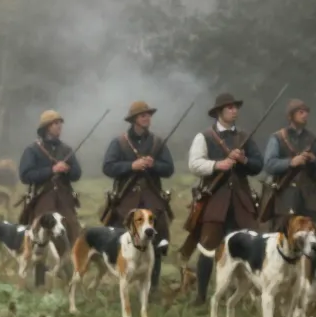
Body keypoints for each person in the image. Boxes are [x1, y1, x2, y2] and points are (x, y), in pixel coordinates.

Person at [181, 93, 264, 305]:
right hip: (214, 200)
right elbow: (194, 164)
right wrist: (218, 165)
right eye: (229, 108)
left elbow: (257, 165)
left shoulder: (245, 136)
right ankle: (201, 296)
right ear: (220, 112)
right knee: (207, 248)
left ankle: (253, 295)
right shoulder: (204, 137)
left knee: (250, 246)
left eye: (235, 107)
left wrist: (243, 159)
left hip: (241, 200)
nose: (234, 111)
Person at [101, 101, 176, 292]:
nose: (147, 118)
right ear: (134, 119)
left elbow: (169, 169)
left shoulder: (158, 142)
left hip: (152, 198)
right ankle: (122, 283)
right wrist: (131, 166)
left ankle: (153, 287)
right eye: (143, 115)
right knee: (121, 241)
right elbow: (108, 167)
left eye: (149, 115)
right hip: (126, 199)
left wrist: (154, 165)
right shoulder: (119, 142)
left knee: (157, 242)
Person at [260, 99, 316, 230]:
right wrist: (291, 162)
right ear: (291, 116)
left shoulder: (311, 138)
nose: (305, 115)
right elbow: (269, 164)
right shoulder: (277, 138)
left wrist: (313, 159)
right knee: (280, 237)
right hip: (285, 198)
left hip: (310, 199)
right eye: (301, 112)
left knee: (314, 240)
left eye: (306, 112)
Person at [18, 110, 83, 240]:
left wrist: (67, 170)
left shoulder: (66, 150)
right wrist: (52, 170)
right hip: (42, 197)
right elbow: (25, 175)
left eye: (60, 123)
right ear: (46, 127)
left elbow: (77, 174)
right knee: (41, 233)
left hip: (65, 197)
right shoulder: (32, 150)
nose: (59, 126)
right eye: (55, 123)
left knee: (73, 230)